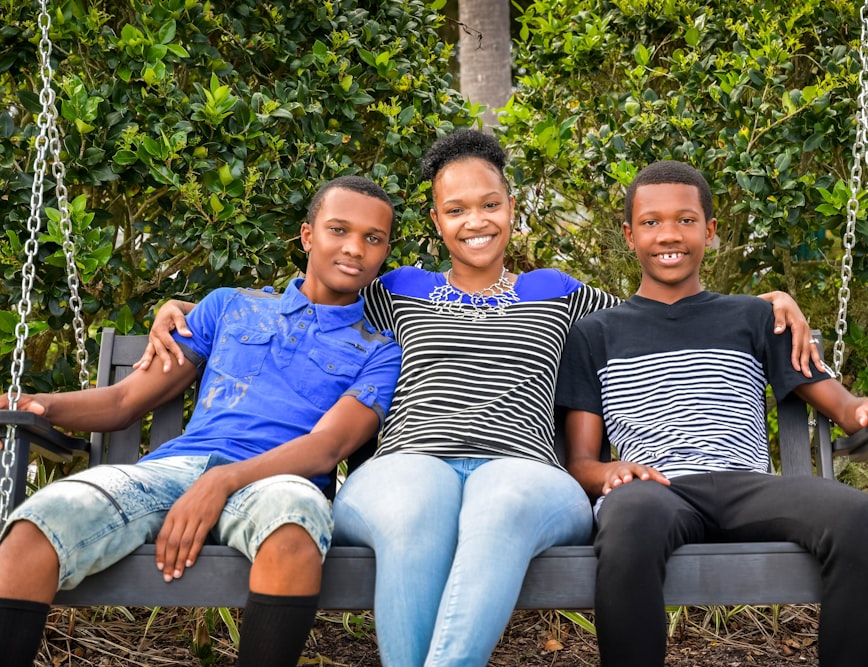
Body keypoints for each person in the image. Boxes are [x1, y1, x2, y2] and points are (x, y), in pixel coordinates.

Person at [139, 130, 822, 667]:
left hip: (526, 470)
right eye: (456, 209)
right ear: (437, 220)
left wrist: (769, 302)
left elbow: (663, 312)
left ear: (511, 209)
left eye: (489, 204)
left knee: (499, 501)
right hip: (408, 460)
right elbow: (316, 295)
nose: (476, 221)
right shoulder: (397, 287)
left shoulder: (558, 290)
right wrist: (185, 308)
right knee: (416, 502)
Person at [0, 176, 402, 667]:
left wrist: (223, 480)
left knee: (296, 523)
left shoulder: (380, 350)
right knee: (41, 523)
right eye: (339, 229)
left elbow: (327, 447)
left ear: (384, 252)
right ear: (307, 235)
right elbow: (126, 400)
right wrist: (41, 402)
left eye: (373, 238)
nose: (354, 248)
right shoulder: (231, 306)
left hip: (278, 482)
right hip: (172, 472)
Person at [555, 160, 868, 667]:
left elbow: (837, 403)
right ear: (628, 234)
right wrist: (609, 472)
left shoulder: (755, 316)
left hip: (745, 486)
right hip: (656, 489)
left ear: (710, 231)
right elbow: (580, 461)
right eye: (650, 222)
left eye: (686, 220)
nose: (669, 234)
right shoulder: (596, 333)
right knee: (630, 519)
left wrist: (863, 407)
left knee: (861, 516)